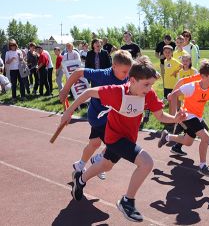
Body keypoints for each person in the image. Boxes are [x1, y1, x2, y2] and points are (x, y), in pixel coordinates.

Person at [61, 56, 186, 222]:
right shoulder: (117, 92)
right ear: (132, 80)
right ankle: (127, 201)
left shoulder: (147, 94)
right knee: (146, 162)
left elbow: (160, 115)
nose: (149, 89)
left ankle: (80, 179)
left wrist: (176, 118)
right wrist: (69, 111)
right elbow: (88, 92)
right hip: (113, 137)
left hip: (129, 138)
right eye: (146, 84)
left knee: (106, 165)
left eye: (151, 85)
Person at [59, 50, 133, 180]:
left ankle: (80, 165)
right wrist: (65, 90)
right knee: (117, 145)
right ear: (114, 66)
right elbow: (77, 72)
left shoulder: (127, 74)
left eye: (129, 71)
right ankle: (99, 162)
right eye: (124, 72)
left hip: (114, 116)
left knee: (94, 143)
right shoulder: (102, 75)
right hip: (99, 116)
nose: (127, 75)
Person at [158, 59, 209, 177]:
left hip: (197, 116)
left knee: (188, 142)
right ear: (203, 77)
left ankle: (167, 136)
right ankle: (202, 166)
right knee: (206, 137)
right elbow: (173, 95)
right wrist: (174, 116)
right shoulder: (191, 87)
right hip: (187, 115)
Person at [162, 45, 182, 116]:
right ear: (163, 53)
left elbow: (181, 66)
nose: (167, 54)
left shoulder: (173, 61)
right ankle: (172, 114)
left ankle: (178, 111)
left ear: (172, 53)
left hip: (173, 84)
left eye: (169, 52)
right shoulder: (165, 61)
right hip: (167, 84)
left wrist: (175, 72)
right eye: (165, 52)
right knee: (169, 99)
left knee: (175, 99)